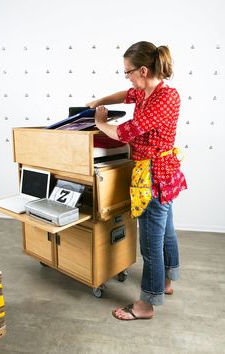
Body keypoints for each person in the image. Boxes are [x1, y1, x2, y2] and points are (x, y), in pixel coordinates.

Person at [86, 41, 187, 321]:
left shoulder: (163, 98)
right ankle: (166, 281)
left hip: (153, 176)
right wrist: (101, 101)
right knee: (166, 231)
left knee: (151, 243)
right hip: (163, 172)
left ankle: (146, 305)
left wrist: (99, 122)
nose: (127, 77)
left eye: (128, 71)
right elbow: (126, 94)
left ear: (143, 70)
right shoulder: (147, 91)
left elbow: (126, 132)